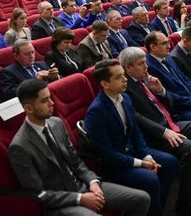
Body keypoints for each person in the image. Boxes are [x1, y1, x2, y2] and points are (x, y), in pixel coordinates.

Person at [9, 79, 151, 215]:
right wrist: (79, 198)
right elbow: (39, 194)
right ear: (29, 108)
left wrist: (92, 181)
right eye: (44, 100)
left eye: (50, 97)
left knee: (142, 199)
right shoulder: (20, 147)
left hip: (83, 186)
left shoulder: (56, 123)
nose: (52, 103)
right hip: (62, 203)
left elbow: (76, 161)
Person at [119, 47, 191, 212]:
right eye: (141, 64)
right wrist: (163, 132)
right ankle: (185, 204)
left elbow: (168, 104)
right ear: (128, 67)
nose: (146, 66)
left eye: (145, 62)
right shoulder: (124, 85)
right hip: (154, 134)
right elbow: (135, 117)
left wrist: (160, 90)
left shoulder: (144, 79)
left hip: (169, 122)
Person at [85, 59, 179, 216]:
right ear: (105, 84)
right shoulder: (97, 112)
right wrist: (142, 163)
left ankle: (156, 208)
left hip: (132, 151)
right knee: (150, 179)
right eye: (119, 77)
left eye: (124, 75)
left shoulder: (125, 98)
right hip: (116, 163)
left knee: (170, 162)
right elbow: (107, 154)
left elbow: (135, 132)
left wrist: (147, 156)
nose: (125, 79)